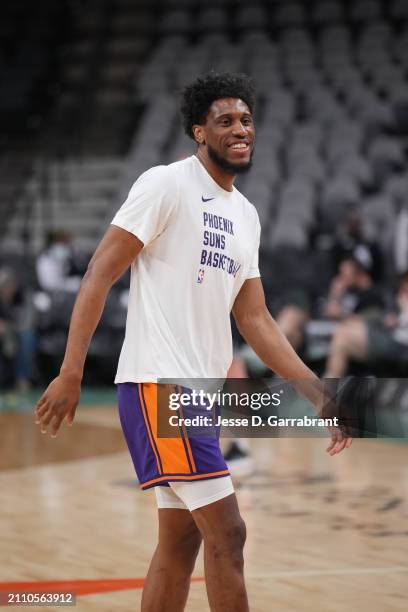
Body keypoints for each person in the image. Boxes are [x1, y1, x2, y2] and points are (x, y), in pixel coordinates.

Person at [35, 72, 352, 612]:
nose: (239, 129)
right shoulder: (165, 185)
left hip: (199, 393)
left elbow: (256, 319)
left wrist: (317, 394)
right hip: (161, 385)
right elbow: (97, 274)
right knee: (229, 533)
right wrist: (70, 371)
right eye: (225, 120)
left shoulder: (246, 216)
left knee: (180, 541)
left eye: (246, 120)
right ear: (198, 131)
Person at [325, 271, 408, 378]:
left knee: (343, 336)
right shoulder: (387, 296)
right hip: (391, 336)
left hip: (399, 344)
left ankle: (325, 391)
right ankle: (327, 389)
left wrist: (405, 312)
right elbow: (387, 317)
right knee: (343, 332)